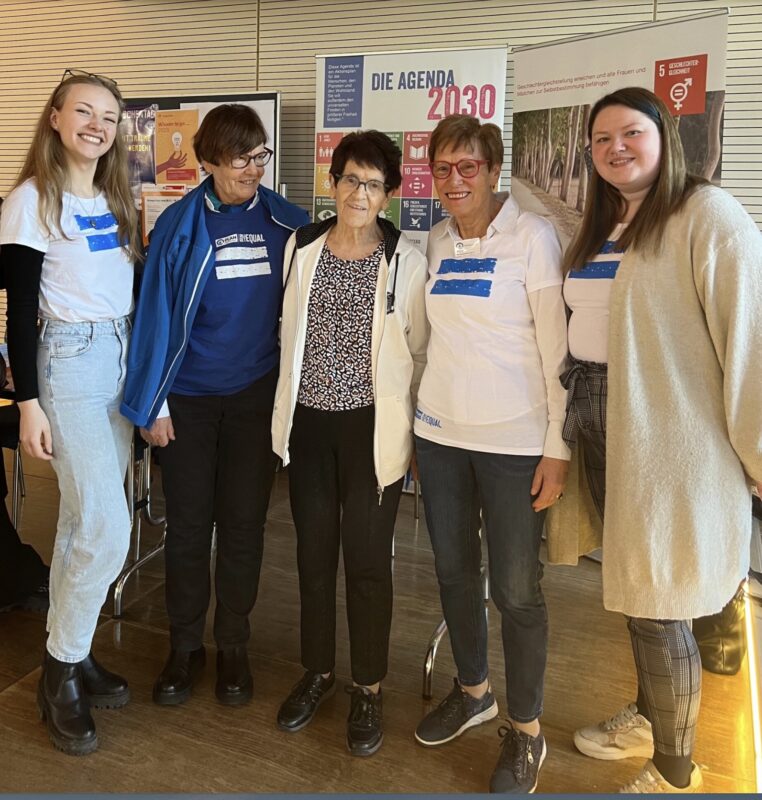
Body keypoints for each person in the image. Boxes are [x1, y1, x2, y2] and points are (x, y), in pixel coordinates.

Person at [562, 86, 762, 793]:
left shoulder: (707, 215)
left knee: (658, 602)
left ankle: (676, 771)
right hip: (602, 427)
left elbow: (750, 342)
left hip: (671, 442)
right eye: (602, 139)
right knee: (637, 590)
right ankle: (651, 717)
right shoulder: (602, 222)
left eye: (631, 133)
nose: (615, 147)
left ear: (664, 138)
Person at [122, 104, 308, 708]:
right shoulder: (178, 226)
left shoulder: (288, 223)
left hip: (255, 398)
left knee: (244, 526)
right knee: (188, 527)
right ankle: (184, 647)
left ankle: (232, 645)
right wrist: (153, 404)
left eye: (260, 156)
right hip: (189, 401)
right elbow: (153, 319)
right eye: (239, 159)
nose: (253, 169)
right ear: (207, 162)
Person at [413, 114, 569, 793]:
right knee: (453, 571)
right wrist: (417, 428)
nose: (454, 180)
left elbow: (557, 352)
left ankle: (527, 730)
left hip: (515, 443)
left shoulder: (533, 236)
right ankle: (474, 691)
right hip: (441, 437)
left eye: (467, 167)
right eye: (442, 168)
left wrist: (557, 447)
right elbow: (427, 344)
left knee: (515, 590)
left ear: (494, 170)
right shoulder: (436, 239)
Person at [271, 130, 428, 756]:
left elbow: (418, 352)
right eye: (350, 180)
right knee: (312, 556)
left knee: (366, 564)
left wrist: (414, 435)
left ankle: (368, 686)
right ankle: (317, 672)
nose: (359, 194)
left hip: (371, 431)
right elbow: (286, 333)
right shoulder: (302, 245)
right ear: (332, 183)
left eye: (373, 184)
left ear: (389, 195)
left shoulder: (406, 260)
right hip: (309, 426)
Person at [0, 69, 140, 755]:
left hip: (119, 356)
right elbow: (19, 309)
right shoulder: (31, 200)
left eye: (109, 117)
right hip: (69, 362)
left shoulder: (115, 197)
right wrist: (29, 403)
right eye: (84, 111)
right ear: (55, 117)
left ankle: (74, 652)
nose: (97, 125)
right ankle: (58, 673)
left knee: (82, 521)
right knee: (109, 530)